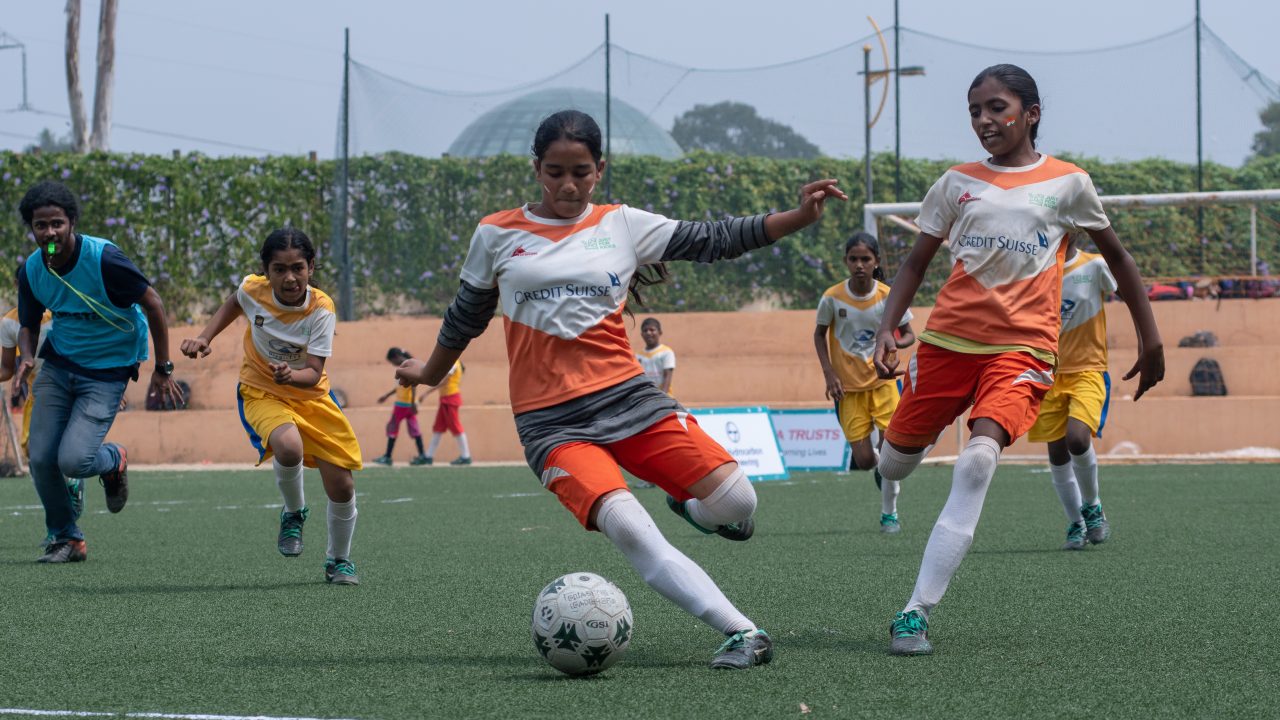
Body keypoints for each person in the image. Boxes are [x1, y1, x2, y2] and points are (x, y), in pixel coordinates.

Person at [395, 109, 846, 669]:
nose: (568, 185)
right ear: (536, 169)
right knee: (631, 526)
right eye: (555, 172)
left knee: (738, 503)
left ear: (600, 170)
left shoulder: (623, 224)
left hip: (630, 399)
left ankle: (690, 507)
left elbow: (716, 239)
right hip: (551, 424)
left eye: (580, 172)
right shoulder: (496, 233)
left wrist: (799, 217)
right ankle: (742, 631)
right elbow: (465, 317)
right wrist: (429, 373)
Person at [869, 65, 1164, 655]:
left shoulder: (1069, 183)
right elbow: (915, 264)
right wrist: (886, 326)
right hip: (947, 345)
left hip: (1023, 350)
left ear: (1030, 113)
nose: (984, 120)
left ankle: (915, 612)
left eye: (996, 108)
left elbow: (1120, 260)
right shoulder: (956, 183)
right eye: (974, 111)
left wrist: (1149, 337)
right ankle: (911, 441)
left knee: (979, 459)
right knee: (893, 466)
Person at [180, 228, 363, 585]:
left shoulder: (321, 309)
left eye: (298, 268)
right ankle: (294, 512)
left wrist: (291, 375)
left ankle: (339, 561)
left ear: (311, 267)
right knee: (288, 445)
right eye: (279, 269)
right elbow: (234, 303)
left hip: (311, 396)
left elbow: (313, 373)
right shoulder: (253, 290)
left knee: (342, 486)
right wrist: (204, 337)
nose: (290, 278)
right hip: (262, 390)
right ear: (266, 270)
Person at [16, 180, 184, 564]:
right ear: (32, 229)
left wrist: (163, 367)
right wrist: (26, 356)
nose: (50, 233)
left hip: (107, 371)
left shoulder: (104, 260)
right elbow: (28, 323)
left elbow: (154, 304)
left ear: (72, 222)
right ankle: (67, 538)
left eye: (57, 223)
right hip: (60, 365)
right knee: (41, 457)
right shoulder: (33, 270)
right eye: (41, 225)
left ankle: (113, 459)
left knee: (73, 461)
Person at [813, 232, 915, 533]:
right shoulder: (832, 297)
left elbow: (909, 334)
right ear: (846, 261)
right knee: (867, 460)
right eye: (854, 259)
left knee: (891, 453)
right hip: (848, 390)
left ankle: (889, 515)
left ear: (876, 262)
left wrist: (894, 344)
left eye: (865, 259)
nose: (859, 265)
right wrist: (829, 373)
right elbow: (819, 335)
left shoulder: (888, 295)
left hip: (884, 384)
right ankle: (881, 471)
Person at [1026, 235, 1115, 550]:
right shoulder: (1035, 270)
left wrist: (1148, 340)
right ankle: (1076, 523)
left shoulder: (1096, 266)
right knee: (1057, 452)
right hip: (1048, 372)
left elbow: (1129, 293)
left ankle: (1093, 506)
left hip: (1088, 369)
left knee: (1077, 438)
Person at [372, 347, 430, 466]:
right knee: (415, 429)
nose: (393, 364)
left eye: (392, 362)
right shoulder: (409, 364)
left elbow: (413, 386)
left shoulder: (406, 366)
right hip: (408, 405)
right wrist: (387, 395)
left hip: (402, 405)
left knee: (392, 428)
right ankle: (422, 455)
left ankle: (387, 457)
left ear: (396, 357)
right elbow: (399, 387)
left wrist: (413, 403)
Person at [417, 359, 471, 466]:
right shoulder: (454, 363)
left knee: (456, 426)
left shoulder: (453, 363)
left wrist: (426, 393)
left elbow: (444, 381)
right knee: (438, 427)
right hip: (446, 398)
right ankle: (428, 456)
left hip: (451, 398)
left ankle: (466, 456)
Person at [636, 317, 676, 395]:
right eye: (645, 330)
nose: (648, 333)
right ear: (641, 334)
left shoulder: (666, 352)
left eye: (652, 330)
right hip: (646, 397)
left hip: (664, 397)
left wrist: (662, 397)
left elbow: (667, 376)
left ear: (660, 332)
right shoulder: (638, 356)